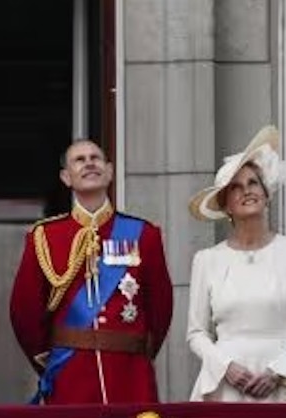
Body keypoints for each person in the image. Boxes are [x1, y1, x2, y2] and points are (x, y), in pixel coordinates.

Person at [9, 140, 173, 404]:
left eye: (95, 157)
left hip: (130, 375)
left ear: (109, 171)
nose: (89, 163)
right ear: (66, 177)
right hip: (71, 374)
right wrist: (50, 359)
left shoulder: (144, 234)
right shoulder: (45, 236)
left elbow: (160, 307)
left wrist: (137, 350)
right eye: (79, 159)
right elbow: (25, 309)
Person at [186, 125, 286, 402]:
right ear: (226, 205)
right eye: (235, 188)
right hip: (226, 387)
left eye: (252, 183)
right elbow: (196, 333)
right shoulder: (207, 260)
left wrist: (281, 370)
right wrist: (226, 367)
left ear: (266, 193)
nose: (246, 191)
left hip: (285, 385)